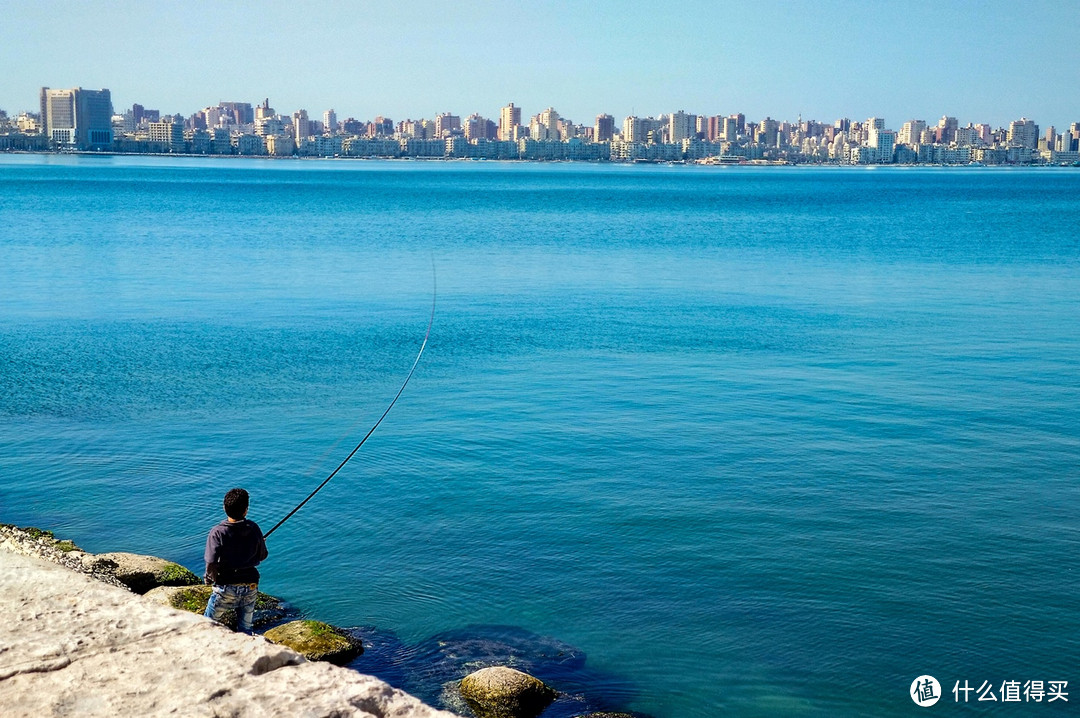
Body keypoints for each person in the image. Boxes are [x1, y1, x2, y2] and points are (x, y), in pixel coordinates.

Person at [203, 487, 268, 634]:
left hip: (226, 587)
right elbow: (262, 556)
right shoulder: (254, 528)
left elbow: (211, 562)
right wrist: (259, 543)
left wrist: (208, 579)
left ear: (224, 508)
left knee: (206, 626)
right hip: (250, 585)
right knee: (245, 629)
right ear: (246, 510)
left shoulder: (217, 532)